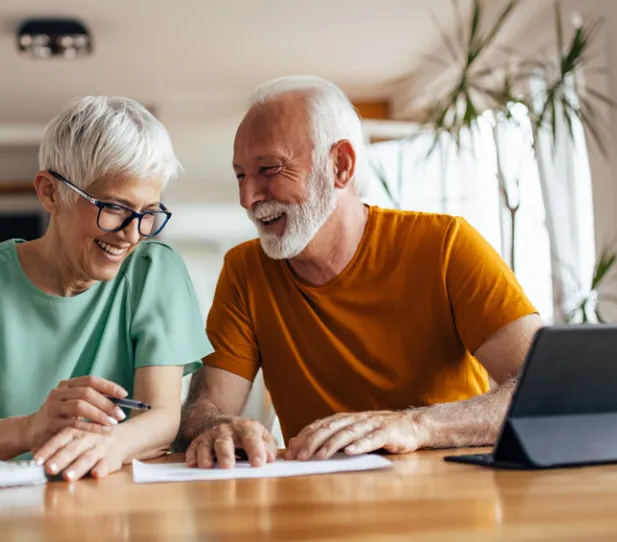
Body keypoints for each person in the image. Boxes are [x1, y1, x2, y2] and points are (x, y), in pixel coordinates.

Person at [175, 74, 544, 468]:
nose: (248, 197)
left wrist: (417, 426)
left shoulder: (445, 244)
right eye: (241, 175)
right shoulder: (244, 270)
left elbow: (546, 390)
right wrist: (216, 426)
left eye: (269, 169)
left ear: (340, 165)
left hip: (452, 503)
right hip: (318, 510)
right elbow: (205, 406)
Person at [0, 95, 213, 481]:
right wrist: (31, 429)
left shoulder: (154, 270)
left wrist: (108, 445)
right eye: (113, 207)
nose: (132, 234)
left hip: (114, 511)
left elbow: (162, 417)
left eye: (148, 214)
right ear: (49, 192)